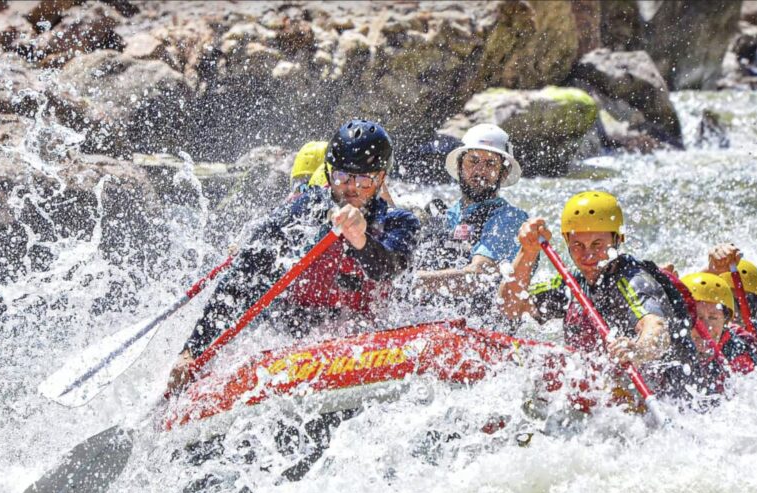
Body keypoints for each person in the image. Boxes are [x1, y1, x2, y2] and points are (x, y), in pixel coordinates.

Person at [168, 119, 421, 392]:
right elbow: (243, 278)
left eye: (363, 180)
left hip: (363, 337)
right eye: (341, 178)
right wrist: (192, 350)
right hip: (290, 329)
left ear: (380, 178)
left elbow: (390, 267)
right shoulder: (303, 211)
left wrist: (360, 239)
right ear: (328, 172)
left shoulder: (400, 222)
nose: (351, 189)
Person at [499, 190, 701, 404]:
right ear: (566, 241)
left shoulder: (632, 280)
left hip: (670, 399)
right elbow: (511, 306)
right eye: (577, 245)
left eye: (597, 244)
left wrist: (637, 350)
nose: (587, 255)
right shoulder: (573, 283)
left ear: (618, 239)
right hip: (608, 397)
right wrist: (527, 251)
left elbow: (657, 329)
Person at [412, 124, 528, 321]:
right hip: (432, 322)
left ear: (504, 172)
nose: (480, 170)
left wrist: (412, 281)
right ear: (459, 165)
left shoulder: (511, 219)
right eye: (473, 161)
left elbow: (477, 277)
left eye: (490, 164)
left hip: (484, 330)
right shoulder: (443, 215)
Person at [680, 272, 757, 390]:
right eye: (698, 318)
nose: (706, 328)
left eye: (713, 318)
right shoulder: (668, 343)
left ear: (725, 321)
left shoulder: (738, 354)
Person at [707, 244, 757, 354]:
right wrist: (710, 270)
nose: (737, 311)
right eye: (730, 302)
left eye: (748, 302)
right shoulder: (703, 332)